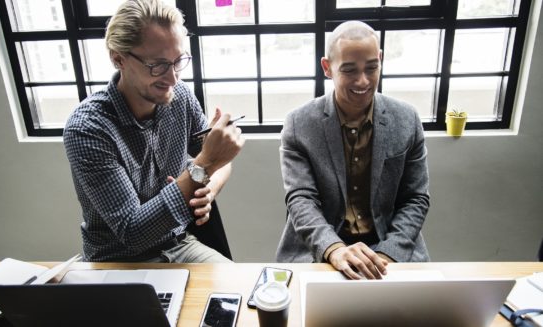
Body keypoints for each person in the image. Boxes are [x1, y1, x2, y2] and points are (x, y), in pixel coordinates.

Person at [63, 0, 244, 262]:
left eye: (178, 61)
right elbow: (134, 233)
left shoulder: (179, 96)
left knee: (238, 290)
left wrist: (208, 190)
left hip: (179, 243)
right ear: (118, 58)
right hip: (117, 260)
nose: (172, 79)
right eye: (157, 65)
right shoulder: (88, 129)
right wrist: (204, 165)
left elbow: (218, 164)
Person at [276, 21, 430, 279]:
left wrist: (384, 255)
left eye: (372, 67)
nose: (363, 81)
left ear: (381, 59)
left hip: (390, 245)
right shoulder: (298, 124)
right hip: (323, 247)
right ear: (327, 67)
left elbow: (416, 198)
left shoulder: (407, 119)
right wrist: (334, 249)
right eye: (349, 70)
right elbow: (301, 199)